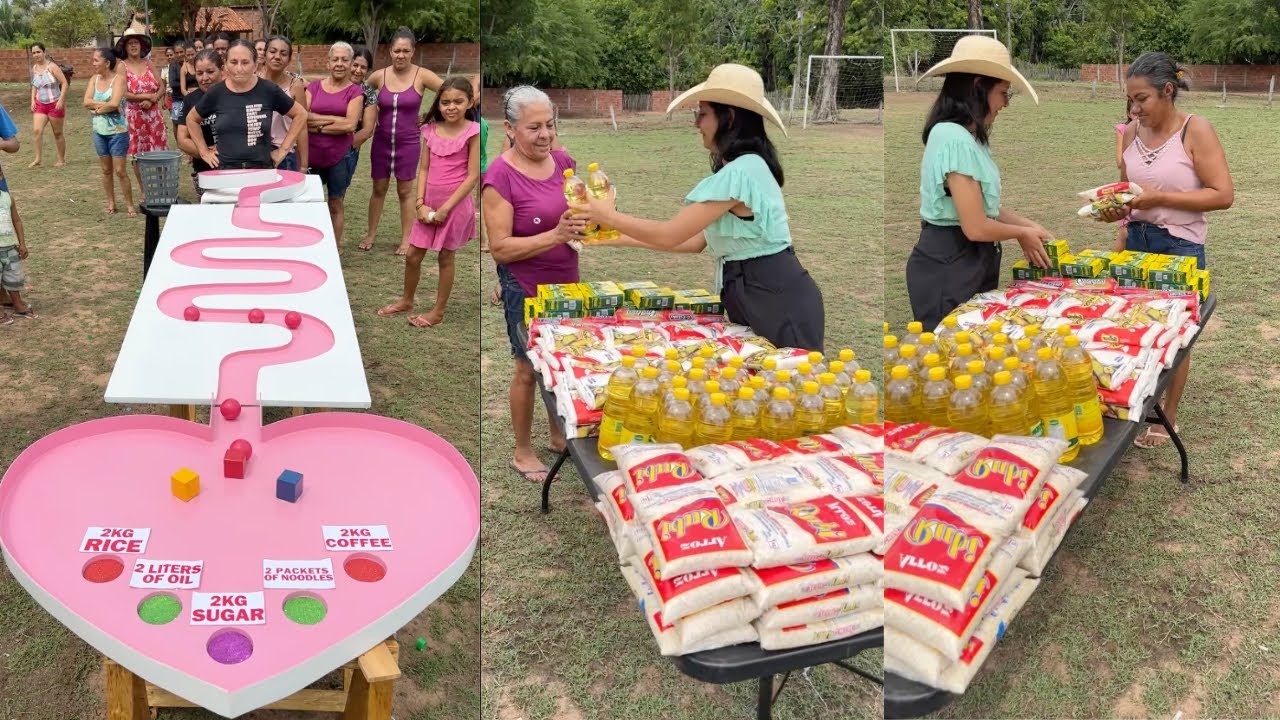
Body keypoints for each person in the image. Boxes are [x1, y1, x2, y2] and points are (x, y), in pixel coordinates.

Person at [582, 64, 826, 351]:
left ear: (729, 117)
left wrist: (606, 215)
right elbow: (693, 240)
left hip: (776, 299)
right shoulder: (741, 168)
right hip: (755, 293)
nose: (697, 123)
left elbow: (669, 234)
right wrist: (606, 236)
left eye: (703, 114)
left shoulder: (744, 171)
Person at [1098, 52, 1233, 448]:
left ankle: (1167, 415)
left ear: (1167, 91)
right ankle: (1136, 397)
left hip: (1179, 246)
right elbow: (1128, 192)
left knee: (1175, 334)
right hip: (1136, 241)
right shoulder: (1129, 133)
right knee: (1136, 329)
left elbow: (1223, 195)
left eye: (1142, 99)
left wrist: (1162, 197)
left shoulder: (1196, 130)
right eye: (1131, 100)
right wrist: (1115, 212)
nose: (1135, 109)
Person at [903, 35, 1054, 330]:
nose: (1005, 104)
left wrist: (1029, 225)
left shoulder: (971, 139)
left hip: (973, 259)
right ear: (977, 86)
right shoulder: (951, 136)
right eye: (1003, 93)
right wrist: (1021, 233)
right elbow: (975, 226)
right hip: (950, 263)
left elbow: (985, 207)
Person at [483, 86, 588, 481]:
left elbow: (575, 213)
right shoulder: (499, 177)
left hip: (567, 281)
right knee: (527, 368)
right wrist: (555, 236)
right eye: (534, 128)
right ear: (509, 128)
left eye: (550, 125)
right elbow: (500, 248)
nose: (545, 134)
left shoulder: (563, 162)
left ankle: (558, 435)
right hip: (524, 285)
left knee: (561, 364)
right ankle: (523, 450)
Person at [379, 76, 479, 327]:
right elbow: (423, 169)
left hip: (454, 207)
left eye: (458, 101)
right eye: (445, 102)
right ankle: (406, 300)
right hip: (428, 205)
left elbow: (473, 175)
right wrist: (420, 203)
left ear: (470, 102)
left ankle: (438, 311)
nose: (451, 107)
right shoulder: (430, 129)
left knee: (446, 257)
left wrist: (446, 208)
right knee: (413, 255)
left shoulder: (473, 131)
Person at [358, 27, 443, 254]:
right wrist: (366, 117)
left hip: (408, 143)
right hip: (382, 142)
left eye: (406, 51)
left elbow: (449, 92)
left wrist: (430, 116)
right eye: (397, 50)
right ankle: (370, 234)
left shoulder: (422, 75)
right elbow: (358, 95)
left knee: (405, 192)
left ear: (413, 51)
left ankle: (407, 238)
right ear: (390, 51)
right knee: (378, 188)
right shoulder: (379, 76)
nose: (401, 55)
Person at [187, 41, 306, 170]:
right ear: (225, 65)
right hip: (226, 170)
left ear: (255, 65)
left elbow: (300, 114)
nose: (239, 68)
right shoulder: (216, 92)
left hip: (261, 169)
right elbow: (192, 119)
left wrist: (283, 150)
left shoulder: (268, 90)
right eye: (233, 62)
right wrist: (204, 152)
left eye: (245, 62)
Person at [306, 42, 364, 244]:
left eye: (344, 60)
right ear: (328, 63)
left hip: (340, 157)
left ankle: (335, 247)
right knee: (309, 203)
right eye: (335, 59)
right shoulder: (312, 87)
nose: (339, 63)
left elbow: (350, 125)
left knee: (335, 203)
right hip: (310, 156)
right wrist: (333, 121)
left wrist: (317, 121)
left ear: (350, 64)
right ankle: (311, 244)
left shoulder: (355, 92)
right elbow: (303, 118)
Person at [84, 47, 134, 217]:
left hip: (118, 131)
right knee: (106, 170)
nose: (93, 64)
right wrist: (105, 106)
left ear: (107, 63)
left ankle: (129, 205)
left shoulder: (119, 80)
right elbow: (86, 101)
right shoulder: (93, 79)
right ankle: (111, 202)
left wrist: (97, 109)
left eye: (96, 60)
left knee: (120, 171)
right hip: (99, 131)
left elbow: (115, 104)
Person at [116, 31, 169, 192]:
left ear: (141, 46)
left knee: (159, 151)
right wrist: (145, 96)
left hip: (154, 116)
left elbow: (161, 86)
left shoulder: (148, 63)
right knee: (138, 155)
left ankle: (162, 187)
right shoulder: (122, 66)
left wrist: (153, 99)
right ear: (125, 47)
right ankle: (144, 190)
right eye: (130, 43)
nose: (133, 46)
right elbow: (123, 92)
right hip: (134, 116)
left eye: (136, 43)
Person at [176, 49, 223, 198]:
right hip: (204, 170)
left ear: (221, 70)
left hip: (234, 169)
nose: (205, 78)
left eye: (210, 72)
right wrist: (206, 153)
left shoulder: (234, 94)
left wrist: (227, 152)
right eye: (200, 73)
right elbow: (182, 140)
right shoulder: (190, 100)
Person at [261, 35, 308, 172]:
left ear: (288, 59)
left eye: (283, 53)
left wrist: (304, 165)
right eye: (272, 51)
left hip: (284, 154)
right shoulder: (253, 82)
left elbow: (302, 126)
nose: (277, 56)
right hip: (256, 151)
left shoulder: (295, 86)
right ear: (264, 55)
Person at [28, 42, 68, 168]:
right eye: (34, 53)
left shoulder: (52, 67)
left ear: (44, 52)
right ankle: (38, 159)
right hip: (40, 104)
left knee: (57, 133)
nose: (36, 55)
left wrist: (61, 100)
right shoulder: (34, 68)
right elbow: (35, 85)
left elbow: (64, 83)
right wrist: (32, 100)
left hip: (55, 104)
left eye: (38, 52)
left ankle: (61, 159)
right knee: (37, 130)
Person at [0, 184, 34, 324]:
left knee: (14, 277)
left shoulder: (8, 198)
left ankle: (18, 305)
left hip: (10, 247)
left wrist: (22, 243)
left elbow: (17, 221)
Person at [349, 45, 380, 175]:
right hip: (322, 147)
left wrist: (344, 148)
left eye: (363, 67)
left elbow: (367, 130)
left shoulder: (369, 94)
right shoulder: (332, 85)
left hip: (349, 151)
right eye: (355, 65)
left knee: (338, 192)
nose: (358, 70)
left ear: (368, 71)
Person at [167, 41, 186, 139]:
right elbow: (172, 83)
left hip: (190, 97)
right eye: (177, 52)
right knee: (176, 122)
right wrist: (186, 85)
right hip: (178, 98)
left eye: (181, 51)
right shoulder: (173, 66)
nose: (179, 54)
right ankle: (179, 144)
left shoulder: (191, 63)